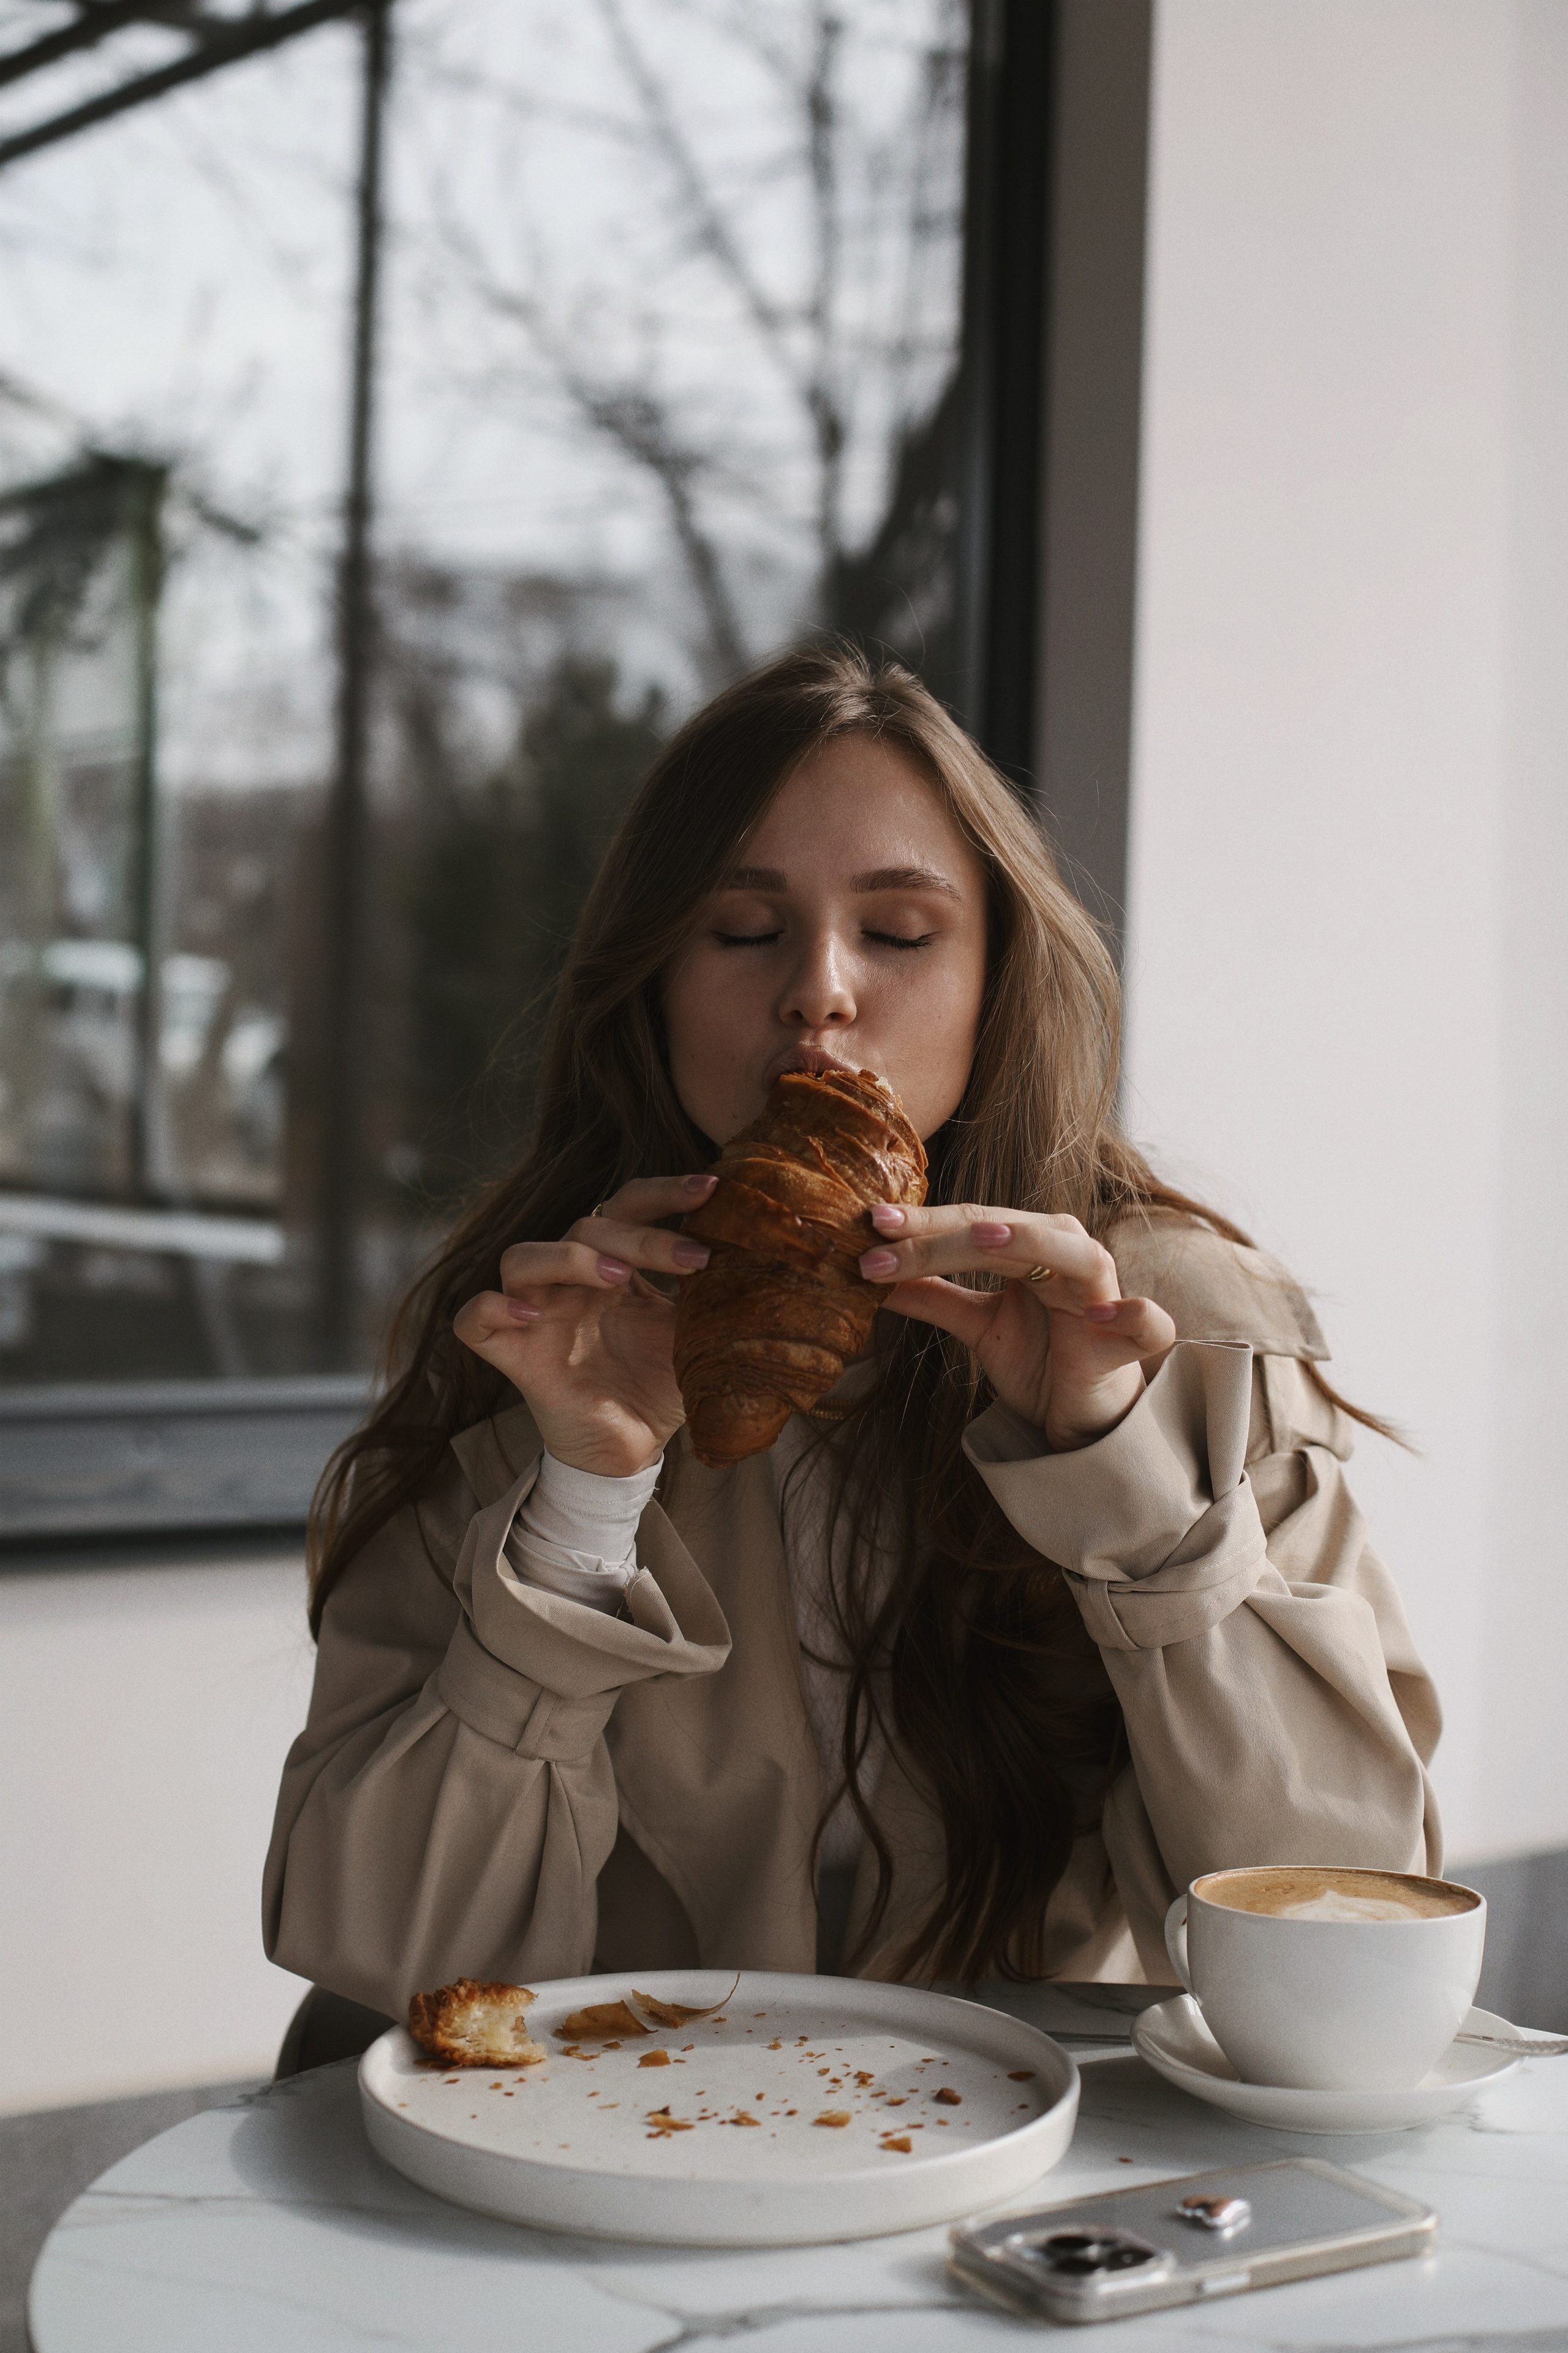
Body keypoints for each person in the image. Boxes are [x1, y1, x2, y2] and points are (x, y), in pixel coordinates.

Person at [264, 641, 1439, 2034]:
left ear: (998, 975)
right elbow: (383, 1956)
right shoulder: (540, 1335)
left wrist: (1118, 1480)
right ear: (649, 982)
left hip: (1036, 2150)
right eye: (742, 930)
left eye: (896, 932)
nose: (819, 989)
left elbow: (1349, 1929)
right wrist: (581, 1499)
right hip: (623, 2144)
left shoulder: (1177, 1336)